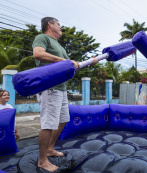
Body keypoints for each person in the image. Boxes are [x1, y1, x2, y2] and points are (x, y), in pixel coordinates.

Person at [32, 17, 98, 172]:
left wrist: (89, 61)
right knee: (48, 124)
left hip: (61, 89)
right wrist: (65, 61)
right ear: (50, 25)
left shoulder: (58, 45)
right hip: (49, 87)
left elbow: (68, 66)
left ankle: (49, 149)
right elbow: (38, 54)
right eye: (59, 24)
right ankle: (42, 161)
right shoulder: (42, 38)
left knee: (63, 120)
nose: (61, 28)